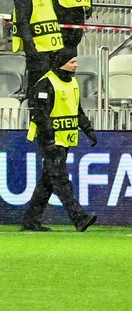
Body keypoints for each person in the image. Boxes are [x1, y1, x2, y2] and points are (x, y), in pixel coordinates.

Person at [22, 48, 98, 232]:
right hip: (51, 140)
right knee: (60, 179)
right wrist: (49, 141)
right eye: (72, 62)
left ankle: (31, 221)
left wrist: (88, 130)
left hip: (65, 138)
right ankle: (79, 217)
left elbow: (77, 111)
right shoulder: (45, 84)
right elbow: (41, 115)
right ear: (62, 63)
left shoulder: (73, 83)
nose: (76, 65)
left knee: (47, 182)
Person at [12, 0, 63, 92]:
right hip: (38, 50)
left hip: (52, 48)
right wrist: (31, 49)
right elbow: (23, 23)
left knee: (49, 89)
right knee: (37, 88)